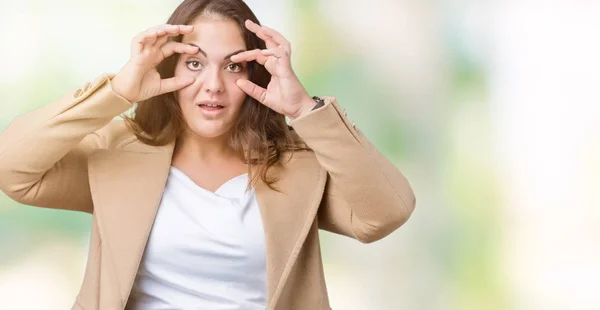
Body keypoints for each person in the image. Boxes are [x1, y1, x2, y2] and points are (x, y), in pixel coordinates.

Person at [0, 0, 416, 309]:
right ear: (170, 70)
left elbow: (385, 214)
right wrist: (117, 92)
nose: (213, 85)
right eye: (195, 64)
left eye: (233, 66)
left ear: (256, 73)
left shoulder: (297, 164)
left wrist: (307, 111)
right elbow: (13, 168)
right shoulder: (118, 153)